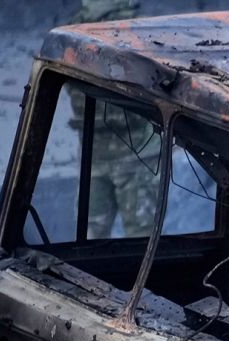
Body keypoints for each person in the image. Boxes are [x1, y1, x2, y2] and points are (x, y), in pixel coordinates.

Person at [69, 0, 161, 239]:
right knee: (136, 238)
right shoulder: (129, 28)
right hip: (118, 152)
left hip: (124, 152)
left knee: (91, 238)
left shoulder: (79, 29)